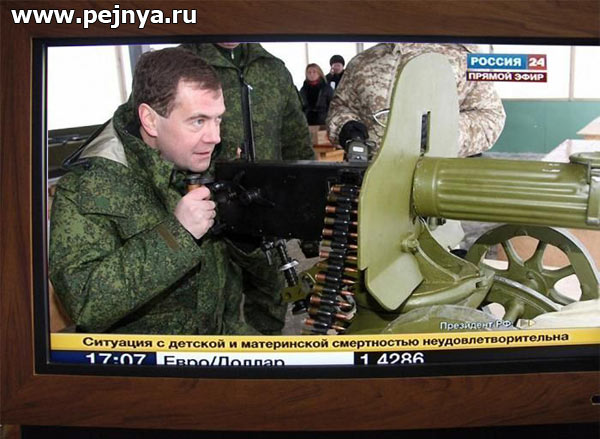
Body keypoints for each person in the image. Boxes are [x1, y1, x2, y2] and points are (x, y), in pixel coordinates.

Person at [49, 48, 258, 335]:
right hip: (143, 359)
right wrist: (177, 235)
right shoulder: (87, 187)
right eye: (198, 121)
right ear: (149, 120)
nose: (214, 137)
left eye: (218, 119)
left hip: (215, 341)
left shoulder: (206, 160)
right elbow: (85, 302)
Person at [180, 42, 315, 335]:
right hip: (203, 214)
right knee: (211, 303)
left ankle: (264, 355)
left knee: (271, 298)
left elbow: (296, 142)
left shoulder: (273, 69)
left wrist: (307, 211)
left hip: (266, 211)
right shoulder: (180, 63)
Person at [327, 43, 506, 157]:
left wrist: (442, 132)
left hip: (436, 178)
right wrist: (346, 127)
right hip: (372, 175)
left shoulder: (463, 59)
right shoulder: (364, 60)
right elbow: (341, 107)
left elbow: (490, 118)